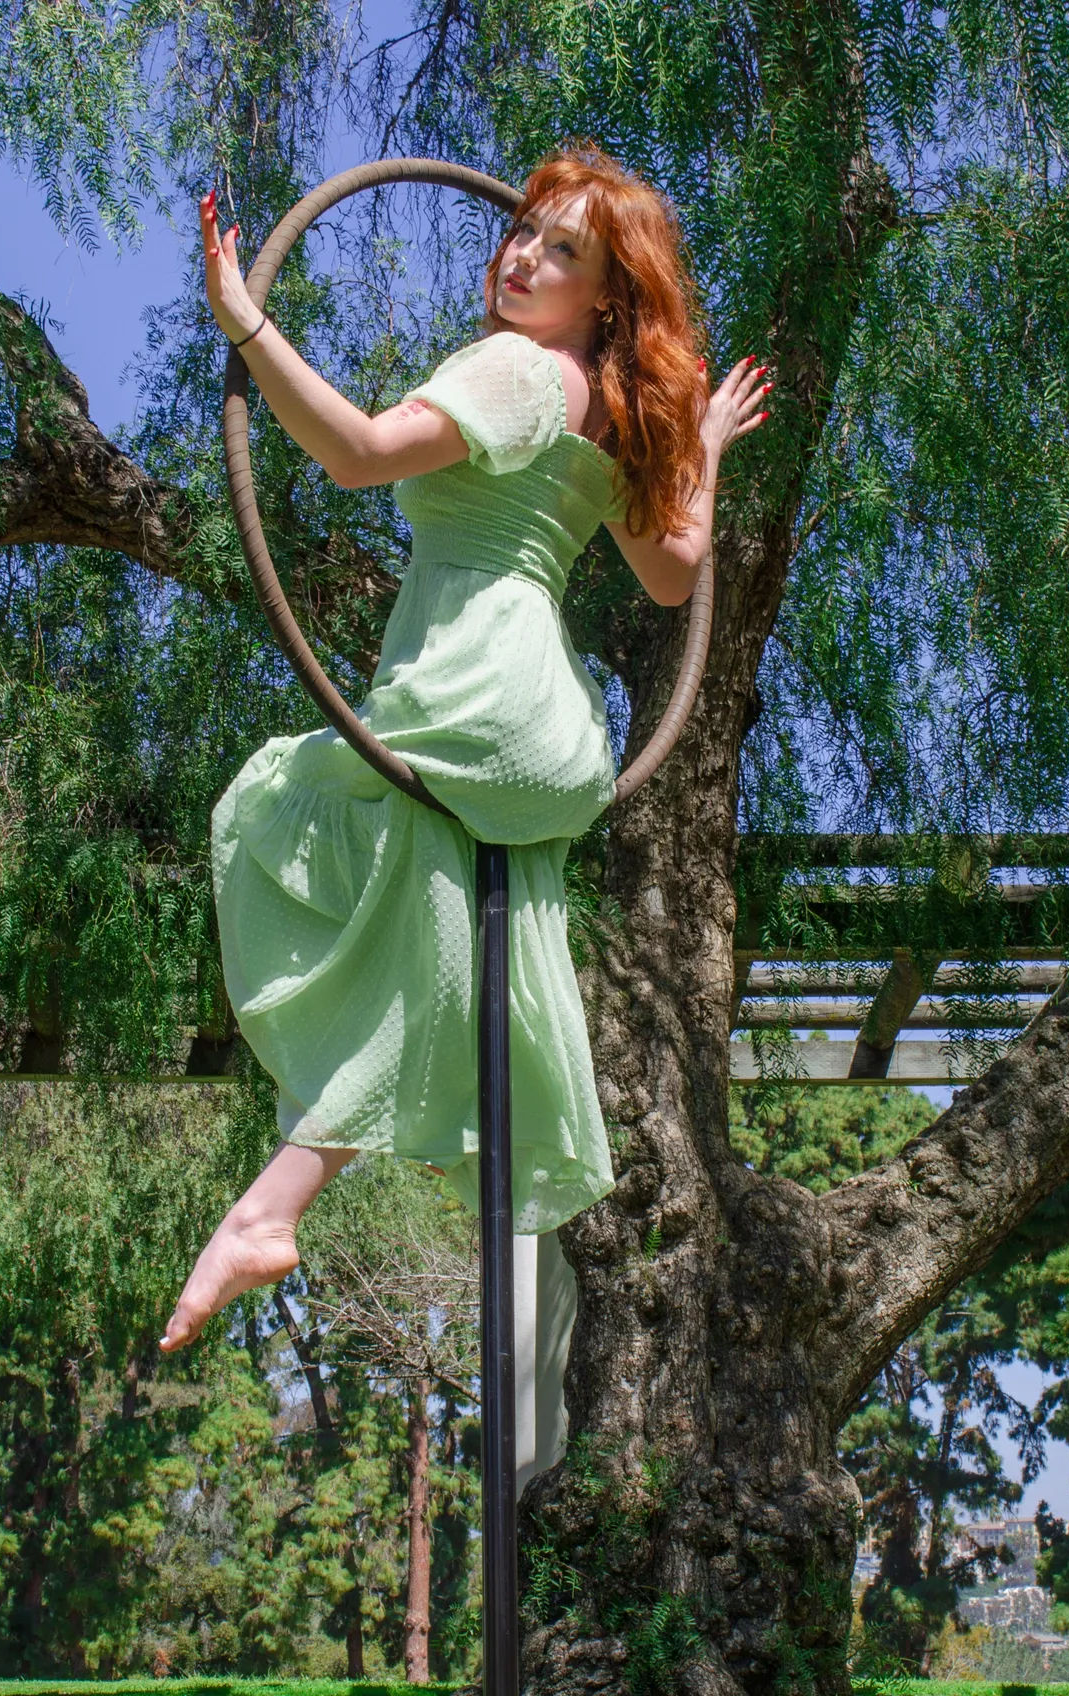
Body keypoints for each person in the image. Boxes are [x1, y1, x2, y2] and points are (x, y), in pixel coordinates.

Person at [162, 141, 772, 1353]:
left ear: (604, 295)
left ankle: (271, 1206)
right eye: (527, 229)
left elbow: (356, 454)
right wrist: (698, 445)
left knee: (272, 803)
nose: (522, 253)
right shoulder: (595, 402)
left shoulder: (516, 370)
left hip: (475, 689)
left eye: (563, 249)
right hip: (547, 729)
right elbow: (671, 573)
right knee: (422, 921)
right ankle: (272, 1206)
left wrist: (246, 328)